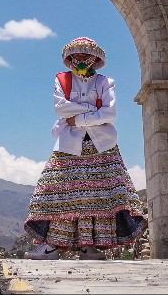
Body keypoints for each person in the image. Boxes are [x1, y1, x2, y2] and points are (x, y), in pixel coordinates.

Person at [23, 36, 147, 260]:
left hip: (102, 144)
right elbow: (61, 109)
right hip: (68, 144)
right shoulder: (62, 80)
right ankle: (52, 246)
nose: (80, 60)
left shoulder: (105, 82)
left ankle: (89, 246)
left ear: (95, 59)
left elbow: (111, 113)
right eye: (75, 56)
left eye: (85, 56)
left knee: (100, 196)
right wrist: (92, 110)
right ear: (69, 59)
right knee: (56, 192)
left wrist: (78, 118)